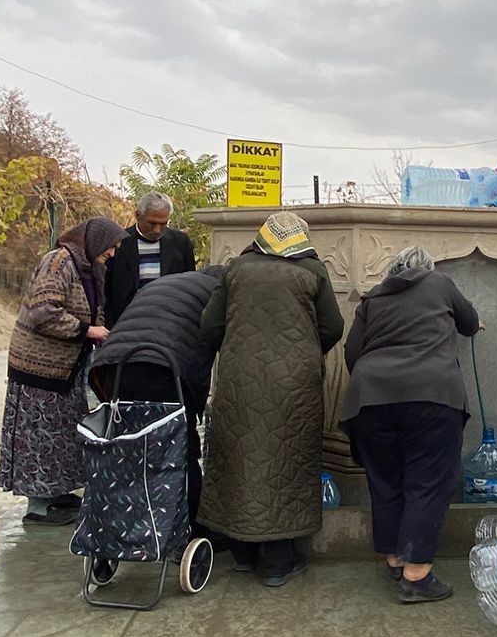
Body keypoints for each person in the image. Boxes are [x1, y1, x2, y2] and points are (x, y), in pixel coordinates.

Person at [199, 212, 344, 586]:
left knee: (239, 459)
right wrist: (304, 352)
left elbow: (210, 325)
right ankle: (279, 563)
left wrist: (236, 353)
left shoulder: (236, 269)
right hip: (293, 384)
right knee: (286, 462)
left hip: (239, 380)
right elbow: (333, 327)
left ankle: (244, 555)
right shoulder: (313, 271)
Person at [341, 246, 480, 603]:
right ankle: (416, 576)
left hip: (370, 398)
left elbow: (352, 352)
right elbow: (468, 320)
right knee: (428, 482)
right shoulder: (439, 282)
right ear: (427, 268)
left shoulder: (373, 298)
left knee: (385, 479)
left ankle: (395, 557)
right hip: (431, 395)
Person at [87, 264, 224, 556]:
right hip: (162, 369)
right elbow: (200, 361)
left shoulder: (167, 283)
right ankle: (193, 531)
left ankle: (123, 528)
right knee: (181, 450)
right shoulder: (217, 293)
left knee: (128, 449)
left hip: (115, 366)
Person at [0, 217, 126, 524]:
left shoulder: (90, 268)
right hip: (39, 370)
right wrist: (89, 331)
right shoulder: (57, 262)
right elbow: (44, 312)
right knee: (38, 436)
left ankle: (57, 492)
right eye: (110, 247)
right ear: (94, 240)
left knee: (63, 434)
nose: (111, 254)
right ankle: (37, 506)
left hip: (68, 370)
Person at [103, 193, 197, 330]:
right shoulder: (119, 243)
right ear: (138, 215)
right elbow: (107, 290)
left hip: (169, 324)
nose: (157, 230)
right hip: (127, 324)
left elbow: (190, 286)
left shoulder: (180, 243)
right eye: (152, 223)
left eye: (163, 224)